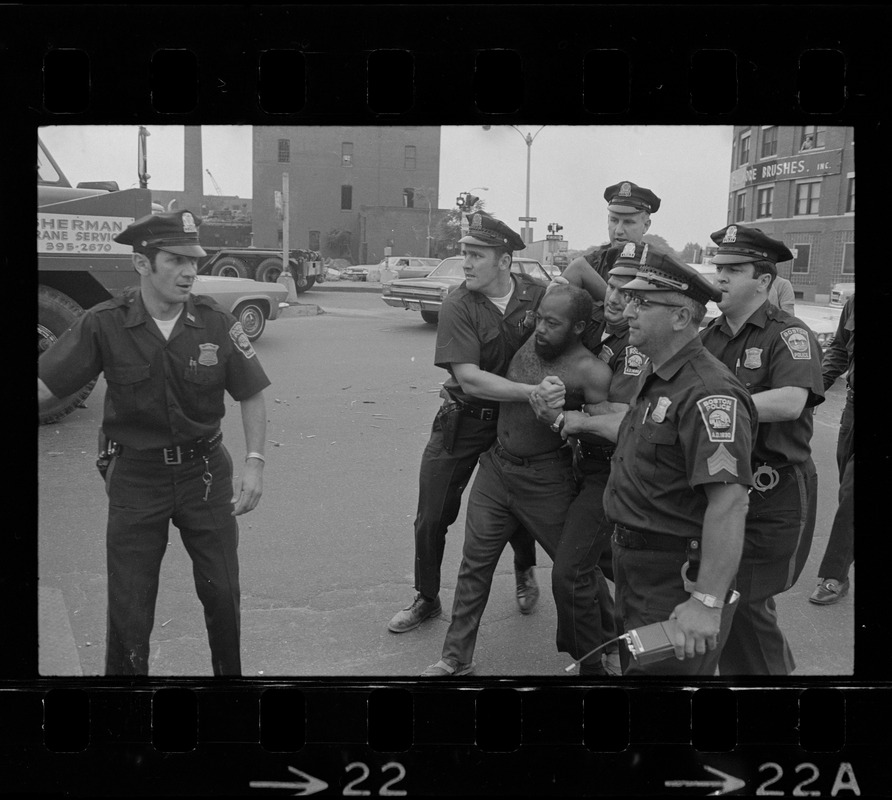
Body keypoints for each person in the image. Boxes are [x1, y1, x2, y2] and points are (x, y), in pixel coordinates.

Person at [37, 210, 270, 676]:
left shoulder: (216, 323)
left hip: (203, 474)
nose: (190, 272)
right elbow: (46, 387)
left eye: (194, 260)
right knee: (130, 606)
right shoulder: (104, 323)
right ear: (142, 264)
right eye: (175, 260)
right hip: (136, 478)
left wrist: (255, 463)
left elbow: (252, 393)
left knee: (222, 594)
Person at [421, 285, 612, 676]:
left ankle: (605, 649)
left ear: (578, 327)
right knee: (474, 565)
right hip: (496, 469)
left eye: (552, 323)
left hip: (547, 479)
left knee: (578, 571)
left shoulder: (591, 371)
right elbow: (572, 274)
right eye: (539, 317)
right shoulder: (532, 338)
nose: (540, 328)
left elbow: (603, 427)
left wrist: (568, 420)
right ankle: (456, 658)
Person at [387, 213, 564, 634]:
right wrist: (532, 393)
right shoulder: (457, 303)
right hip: (463, 421)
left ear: (504, 261)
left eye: (476, 255)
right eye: (464, 253)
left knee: (518, 505)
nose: (466, 263)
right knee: (431, 515)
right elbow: (468, 377)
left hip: (517, 425)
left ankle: (524, 570)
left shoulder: (539, 297)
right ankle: (427, 597)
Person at [594, 250, 757, 676]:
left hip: (674, 578)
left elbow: (729, 504)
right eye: (630, 300)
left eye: (644, 303)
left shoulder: (708, 393)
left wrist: (706, 602)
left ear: (682, 317)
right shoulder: (661, 373)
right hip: (638, 569)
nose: (628, 310)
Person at [700, 224, 825, 675]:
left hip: (775, 493)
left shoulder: (789, 334)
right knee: (736, 604)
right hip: (723, 488)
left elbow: (791, 402)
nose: (721, 277)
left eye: (734, 269)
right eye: (719, 268)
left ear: (765, 281)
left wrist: (714, 406)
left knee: (743, 599)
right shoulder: (708, 337)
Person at [534, 241, 653, 673]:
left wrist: (569, 416)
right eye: (614, 286)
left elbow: (619, 418)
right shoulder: (602, 323)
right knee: (603, 562)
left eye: (630, 291)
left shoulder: (636, 346)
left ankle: (592, 665)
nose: (617, 297)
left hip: (612, 471)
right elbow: (580, 267)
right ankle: (618, 637)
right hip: (583, 465)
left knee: (569, 572)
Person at [562, 180, 662, 346]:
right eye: (614, 220)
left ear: (646, 225)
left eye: (628, 222)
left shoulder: (656, 271)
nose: (618, 230)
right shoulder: (591, 263)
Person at [809, 294, 854, 605]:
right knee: (845, 492)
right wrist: (813, 391)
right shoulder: (854, 302)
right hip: (853, 408)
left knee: (853, 492)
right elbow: (839, 349)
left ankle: (835, 575)